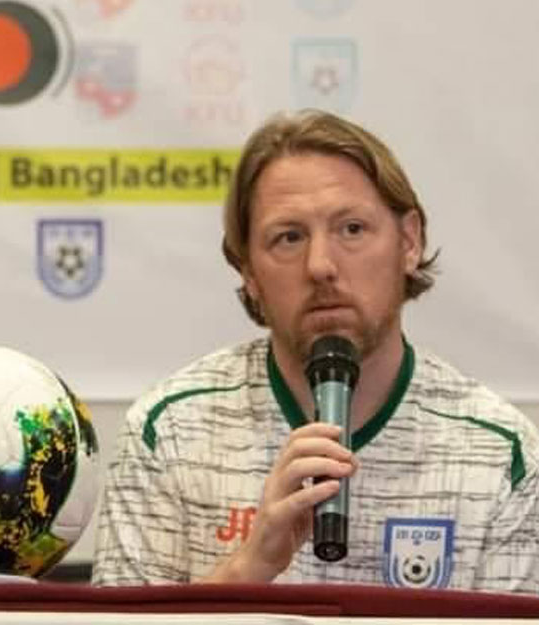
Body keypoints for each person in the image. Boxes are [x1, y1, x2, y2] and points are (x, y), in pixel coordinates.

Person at [92, 110, 539, 593]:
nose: (321, 266)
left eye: (352, 229)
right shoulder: (169, 431)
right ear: (249, 272)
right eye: (289, 237)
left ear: (409, 242)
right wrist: (247, 570)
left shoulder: (499, 452)